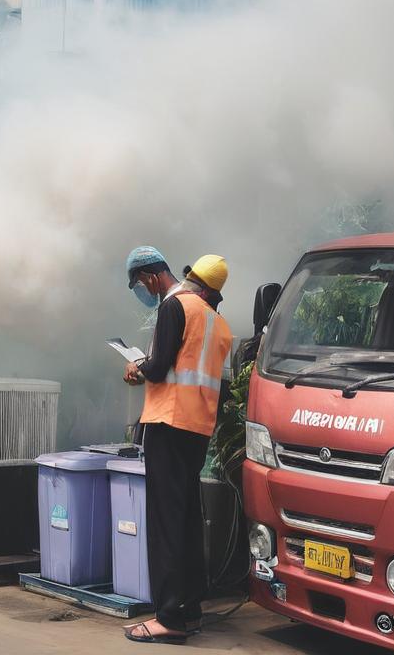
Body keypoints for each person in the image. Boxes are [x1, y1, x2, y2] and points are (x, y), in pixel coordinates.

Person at [122, 249, 233, 645]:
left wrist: (138, 368)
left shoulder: (175, 307)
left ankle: (167, 618)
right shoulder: (219, 324)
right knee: (185, 520)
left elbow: (159, 366)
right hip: (198, 430)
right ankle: (189, 610)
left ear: (151, 277)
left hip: (168, 424)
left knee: (166, 523)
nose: (143, 290)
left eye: (139, 283)